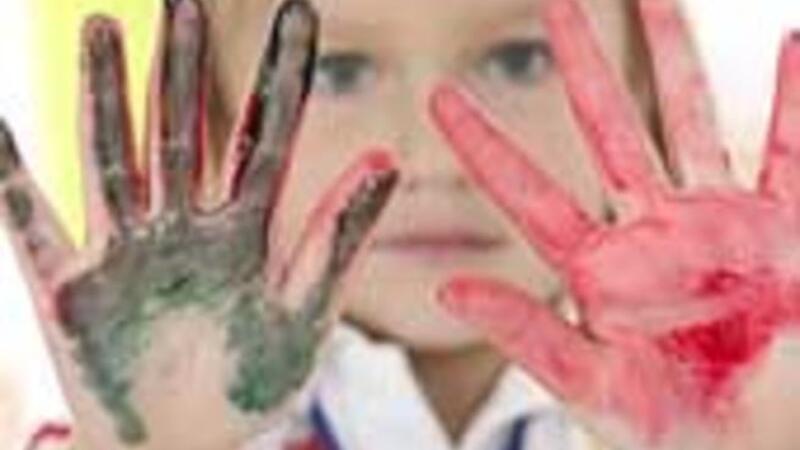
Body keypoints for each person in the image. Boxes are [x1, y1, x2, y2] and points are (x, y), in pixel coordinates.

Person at [2, 0, 799, 449]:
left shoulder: (737, 408)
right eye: (340, 69)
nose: (432, 155)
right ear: (214, 124)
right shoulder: (176, 424)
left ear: (643, 92)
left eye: (520, 59)